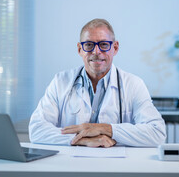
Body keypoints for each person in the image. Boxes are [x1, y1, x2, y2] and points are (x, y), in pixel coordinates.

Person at [29, 19, 166, 147]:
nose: (96, 51)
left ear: (115, 47)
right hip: (71, 168)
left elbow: (157, 133)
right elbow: (36, 129)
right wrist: (83, 140)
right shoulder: (61, 81)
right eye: (89, 45)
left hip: (117, 168)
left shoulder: (133, 84)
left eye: (104, 45)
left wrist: (105, 129)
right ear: (79, 49)